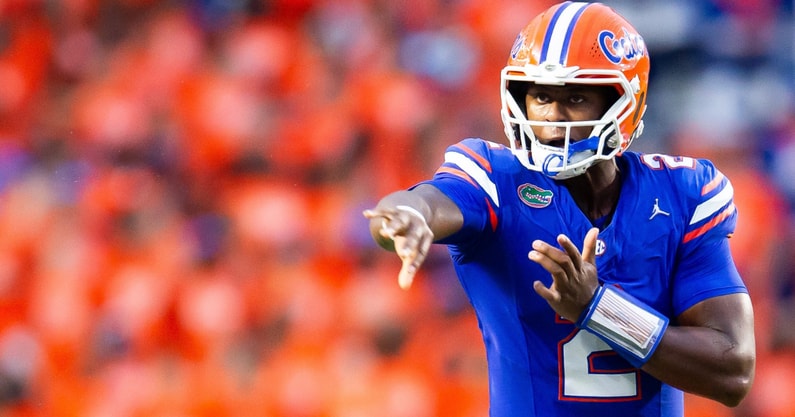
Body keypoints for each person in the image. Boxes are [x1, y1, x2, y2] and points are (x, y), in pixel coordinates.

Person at [363, 2, 756, 416]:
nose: (553, 116)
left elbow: (732, 371)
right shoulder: (497, 179)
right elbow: (429, 200)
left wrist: (597, 308)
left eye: (577, 97)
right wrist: (408, 214)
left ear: (624, 104)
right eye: (541, 96)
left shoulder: (681, 193)